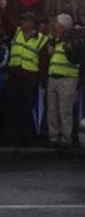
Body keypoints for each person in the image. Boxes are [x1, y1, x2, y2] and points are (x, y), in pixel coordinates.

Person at [5, 11, 50, 147]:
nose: (23, 23)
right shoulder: (17, 32)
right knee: (12, 107)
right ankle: (12, 136)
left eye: (26, 20)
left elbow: (43, 61)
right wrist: (3, 8)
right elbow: (6, 25)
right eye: (22, 20)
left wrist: (42, 79)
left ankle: (25, 137)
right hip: (14, 76)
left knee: (26, 108)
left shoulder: (42, 39)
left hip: (29, 78)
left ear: (32, 23)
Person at [46, 16, 80, 152]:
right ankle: (53, 137)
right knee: (52, 110)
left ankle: (66, 139)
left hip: (67, 79)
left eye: (58, 25)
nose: (56, 27)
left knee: (64, 111)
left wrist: (69, 49)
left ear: (64, 27)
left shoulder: (74, 40)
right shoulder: (55, 40)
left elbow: (76, 59)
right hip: (53, 78)